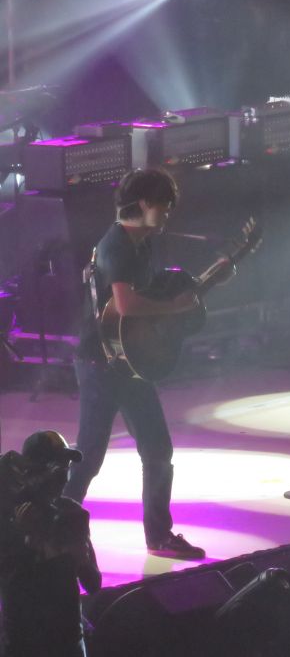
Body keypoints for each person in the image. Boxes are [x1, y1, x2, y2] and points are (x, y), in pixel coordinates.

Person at [66, 168, 209, 560]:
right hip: (99, 363)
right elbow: (126, 305)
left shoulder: (140, 243)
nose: (169, 212)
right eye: (165, 204)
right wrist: (174, 306)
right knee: (89, 457)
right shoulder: (117, 246)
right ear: (145, 203)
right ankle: (55, 526)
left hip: (128, 362)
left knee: (157, 448)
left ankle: (159, 536)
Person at [0, 430, 101, 657]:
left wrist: (82, 560)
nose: (63, 474)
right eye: (56, 466)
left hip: (69, 641)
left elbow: (94, 583)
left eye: (66, 466)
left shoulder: (73, 513)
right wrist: (25, 538)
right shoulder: (9, 515)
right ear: (32, 470)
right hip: (23, 643)